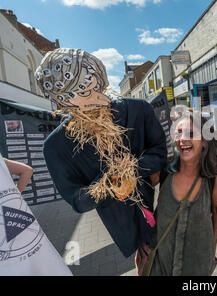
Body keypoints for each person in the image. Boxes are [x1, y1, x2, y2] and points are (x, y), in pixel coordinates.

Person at [37, 48, 167, 267]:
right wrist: (106, 184)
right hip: (125, 228)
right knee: (146, 263)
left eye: (98, 86)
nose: (102, 98)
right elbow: (77, 200)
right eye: (86, 93)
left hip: (161, 209)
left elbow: (159, 153)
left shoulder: (138, 110)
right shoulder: (56, 146)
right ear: (63, 100)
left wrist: (132, 169)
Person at [147, 111, 217, 276]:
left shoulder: (213, 178)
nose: (183, 139)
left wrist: (212, 250)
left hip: (197, 266)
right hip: (162, 265)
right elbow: (136, 193)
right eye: (179, 133)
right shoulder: (164, 171)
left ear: (204, 141)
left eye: (190, 133)